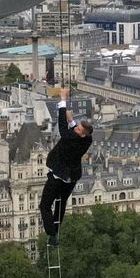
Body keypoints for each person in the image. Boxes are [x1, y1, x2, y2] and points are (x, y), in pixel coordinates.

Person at [39, 87, 93, 245]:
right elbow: (74, 130)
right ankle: (55, 232)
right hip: (71, 177)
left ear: (82, 134)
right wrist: (73, 121)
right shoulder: (87, 140)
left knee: (45, 205)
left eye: (78, 129)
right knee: (61, 203)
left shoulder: (71, 137)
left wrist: (62, 99)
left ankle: (51, 233)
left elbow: (63, 128)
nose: (75, 129)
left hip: (58, 174)